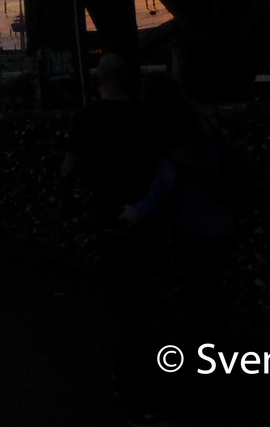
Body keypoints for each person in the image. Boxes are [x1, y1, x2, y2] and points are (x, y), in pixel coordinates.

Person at [56, 54, 173, 427]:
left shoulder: (86, 118)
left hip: (109, 222)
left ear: (99, 81)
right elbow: (167, 166)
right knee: (137, 303)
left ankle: (147, 389)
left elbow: (69, 169)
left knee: (129, 308)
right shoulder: (149, 116)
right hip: (149, 220)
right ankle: (127, 379)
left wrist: (65, 202)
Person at [141, 71, 249, 352]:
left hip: (191, 219)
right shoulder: (204, 123)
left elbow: (168, 178)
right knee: (208, 284)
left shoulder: (171, 131)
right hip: (223, 216)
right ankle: (210, 340)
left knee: (197, 284)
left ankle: (205, 343)